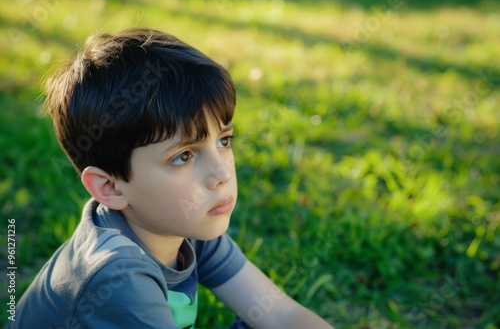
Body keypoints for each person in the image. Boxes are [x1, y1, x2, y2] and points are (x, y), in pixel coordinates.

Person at [11, 27, 333, 329]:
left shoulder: (183, 225)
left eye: (223, 141)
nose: (221, 174)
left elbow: (279, 313)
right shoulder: (116, 275)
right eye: (183, 157)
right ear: (109, 187)